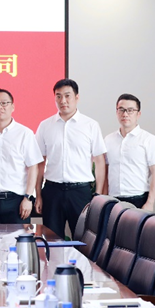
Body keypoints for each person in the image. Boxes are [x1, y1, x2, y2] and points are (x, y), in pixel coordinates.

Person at [34, 79, 106, 239]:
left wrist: (98, 195)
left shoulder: (90, 125)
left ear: (77, 97)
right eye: (58, 96)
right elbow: (40, 163)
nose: (63, 101)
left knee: (84, 240)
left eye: (67, 96)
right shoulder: (45, 126)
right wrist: (38, 194)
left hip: (80, 192)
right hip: (52, 191)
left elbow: (100, 161)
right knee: (52, 240)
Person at [0, 88, 43, 224]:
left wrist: (28, 197)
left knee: (18, 238)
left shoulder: (25, 133)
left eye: (4, 103)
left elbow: (33, 167)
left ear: (12, 107)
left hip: (17, 201)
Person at [103, 93, 155, 210]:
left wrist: (150, 203)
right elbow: (105, 172)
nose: (125, 114)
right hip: (113, 200)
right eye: (121, 110)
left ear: (138, 114)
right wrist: (104, 199)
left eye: (130, 110)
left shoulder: (149, 140)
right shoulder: (108, 140)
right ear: (117, 112)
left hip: (138, 199)